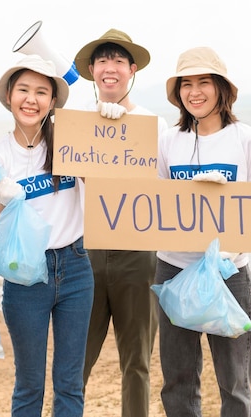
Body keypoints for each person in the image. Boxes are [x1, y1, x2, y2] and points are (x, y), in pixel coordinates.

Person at [155, 46, 251, 416]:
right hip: (174, 268)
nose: (195, 92)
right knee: (178, 379)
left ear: (221, 88)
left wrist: (231, 250)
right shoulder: (168, 140)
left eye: (204, 82)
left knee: (235, 380)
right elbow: (153, 202)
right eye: (186, 84)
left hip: (229, 271)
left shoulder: (247, 139)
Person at [0, 54, 94, 417]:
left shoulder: (69, 143)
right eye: (23, 90)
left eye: (41, 92)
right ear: (10, 96)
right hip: (24, 276)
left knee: (70, 383)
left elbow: (106, 178)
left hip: (76, 267)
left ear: (53, 101)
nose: (31, 99)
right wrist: (10, 207)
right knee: (29, 384)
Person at [72, 28, 167, 417]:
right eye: (102, 60)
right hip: (86, 253)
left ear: (131, 70)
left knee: (138, 362)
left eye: (118, 60)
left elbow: (168, 187)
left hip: (139, 254)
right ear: (92, 70)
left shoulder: (154, 124)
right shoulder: (75, 124)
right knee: (74, 362)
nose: (110, 68)